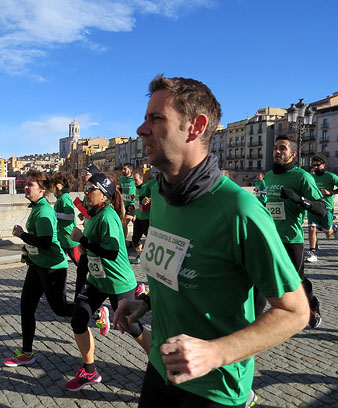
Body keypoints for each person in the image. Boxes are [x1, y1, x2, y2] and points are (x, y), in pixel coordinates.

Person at [113, 75, 309, 408]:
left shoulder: (239, 210)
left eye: (156, 118)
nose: (140, 129)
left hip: (215, 388)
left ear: (195, 127)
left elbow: (295, 312)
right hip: (160, 369)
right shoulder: (161, 196)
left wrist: (215, 352)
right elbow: (182, 271)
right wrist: (146, 302)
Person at [65, 173, 151, 392]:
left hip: (118, 281)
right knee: (78, 320)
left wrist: (82, 240)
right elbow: (97, 245)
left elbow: (111, 253)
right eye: (85, 188)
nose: (85, 192)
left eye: (89, 189)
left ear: (104, 194)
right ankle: (90, 370)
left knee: (131, 327)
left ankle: (160, 363)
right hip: (97, 279)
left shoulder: (108, 216)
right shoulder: (94, 214)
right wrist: (87, 247)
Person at [4, 170, 73, 367]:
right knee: (26, 307)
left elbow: (44, 243)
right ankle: (27, 353)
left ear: (42, 189)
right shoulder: (37, 207)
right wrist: (28, 246)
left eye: (30, 184)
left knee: (60, 309)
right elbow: (40, 242)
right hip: (37, 264)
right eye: (25, 183)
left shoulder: (43, 211)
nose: (26, 187)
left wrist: (22, 235)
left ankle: (94, 311)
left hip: (52, 267)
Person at [264, 136, 327, 328]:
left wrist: (297, 198)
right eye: (275, 148)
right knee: (261, 279)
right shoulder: (268, 176)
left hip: (291, 239)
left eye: (282, 148)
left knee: (296, 282)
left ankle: (312, 305)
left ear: (292, 154)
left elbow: (321, 209)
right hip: (269, 238)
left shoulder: (302, 177)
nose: (277, 151)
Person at [74, 163, 100, 300]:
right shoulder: (87, 193)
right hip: (87, 235)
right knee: (81, 270)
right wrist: (82, 213)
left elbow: (96, 215)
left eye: (87, 173)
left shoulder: (100, 197)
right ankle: (79, 299)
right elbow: (88, 213)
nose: (84, 175)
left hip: (95, 240)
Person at [305, 154, 338, 263]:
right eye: (313, 165)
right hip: (313, 206)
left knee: (327, 233)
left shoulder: (331, 176)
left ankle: (335, 228)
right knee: (311, 228)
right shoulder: (311, 176)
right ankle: (313, 252)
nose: (315, 167)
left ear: (323, 165)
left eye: (317, 165)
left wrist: (331, 192)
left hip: (326, 207)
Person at [50, 172, 80, 266]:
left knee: (78, 262)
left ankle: (88, 279)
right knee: (58, 261)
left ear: (59, 186)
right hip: (62, 237)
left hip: (69, 237)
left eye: (53, 186)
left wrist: (54, 214)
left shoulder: (65, 198)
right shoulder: (60, 198)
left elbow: (70, 215)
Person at [130, 173, 156, 264]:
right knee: (135, 239)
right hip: (138, 219)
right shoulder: (136, 189)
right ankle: (140, 255)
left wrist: (144, 208)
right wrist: (133, 208)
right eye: (133, 180)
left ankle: (149, 256)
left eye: (136, 180)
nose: (134, 182)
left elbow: (153, 199)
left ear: (141, 179)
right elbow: (138, 202)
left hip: (147, 219)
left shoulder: (146, 188)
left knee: (150, 239)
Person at [119, 163, 136, 238]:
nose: (123, 170)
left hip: (134, 203)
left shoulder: (134, 179)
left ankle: (125, 241)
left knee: (125, 221)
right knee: (127, 222)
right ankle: (135, 241)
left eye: (125, 169)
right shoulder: (122, 179)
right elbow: (121, 191)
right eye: (122, 169)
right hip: (125, 204)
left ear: (130, 170)